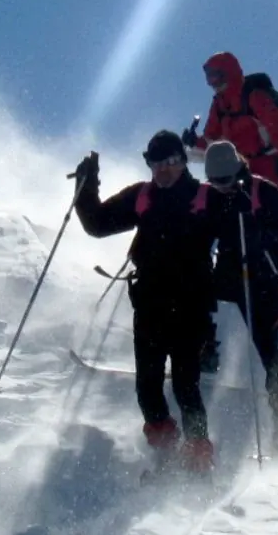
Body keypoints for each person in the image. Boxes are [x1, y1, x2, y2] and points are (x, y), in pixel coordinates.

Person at [72, 130, 219, 474]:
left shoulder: (204, 198)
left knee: (186, 387)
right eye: (158, 164)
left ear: (183, 162)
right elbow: (97, 223)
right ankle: (167, 455)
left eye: (172, 162)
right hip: (150, 306)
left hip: (191, 308)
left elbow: (239, 225)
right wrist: (86, 185)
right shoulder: (142, 197)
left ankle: (198, 458)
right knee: (147, 388)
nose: (165, 170)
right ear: (150, 165)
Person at [200, 141, 278, 453]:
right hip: (228, 273)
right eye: (214, 182)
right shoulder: (211, 196)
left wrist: (269, 232)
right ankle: (205, 351)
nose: (220, 188)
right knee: (197, 294)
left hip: (262, 278)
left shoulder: (260, 191)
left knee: (268, 348)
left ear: (237, 171)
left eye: (225, 181)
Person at [184, 51, 278, 279]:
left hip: (269, 161)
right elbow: (213, 140)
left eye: (217, 77)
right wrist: (195, 142)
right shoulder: (220, 104)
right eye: (209, 79)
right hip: (240, 164)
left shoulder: (254, 97)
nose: (213, 84)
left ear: (229, 73)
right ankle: (244, 261)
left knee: (273, 207)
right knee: (238, 209)